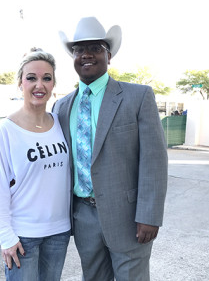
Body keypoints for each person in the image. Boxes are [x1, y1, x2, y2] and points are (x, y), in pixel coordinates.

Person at [53, 17, 168, 281]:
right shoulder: (61, 108)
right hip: (83, 217)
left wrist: (149, 216)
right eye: (79, 49)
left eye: (95, 48)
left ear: (109, 55)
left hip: (129, 218)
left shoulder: (138, 97)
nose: (86, 55)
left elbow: (154, 162)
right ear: (73, 56)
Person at [0, 48, 71, 281]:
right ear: (20, 83)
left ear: (54, 84)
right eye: (31, 78)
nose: (39, 85)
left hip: (59, 233)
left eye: (47, 78)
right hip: (22, 237)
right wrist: (6, 236)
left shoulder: (59, 122)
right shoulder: (4, 130)